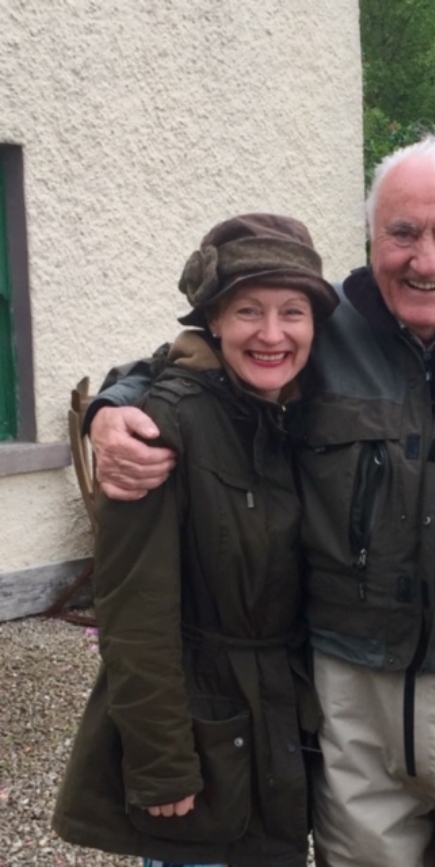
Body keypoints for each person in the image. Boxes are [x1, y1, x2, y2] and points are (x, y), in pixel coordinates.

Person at [80, 136, 435, 867]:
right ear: (373, 238)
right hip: (350, 696)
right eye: (403, 233)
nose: (425, 259)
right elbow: (201, 363)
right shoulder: (321, 333)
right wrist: (114, 402)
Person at [52, 213, 339, 867]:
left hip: (284, 731)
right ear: (211, 319)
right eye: (247, 311)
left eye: (292, 312)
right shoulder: (161, 427)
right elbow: (132, 613)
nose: (272, 334)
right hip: (203, 742)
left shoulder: (307, 414)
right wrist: (160, 762)